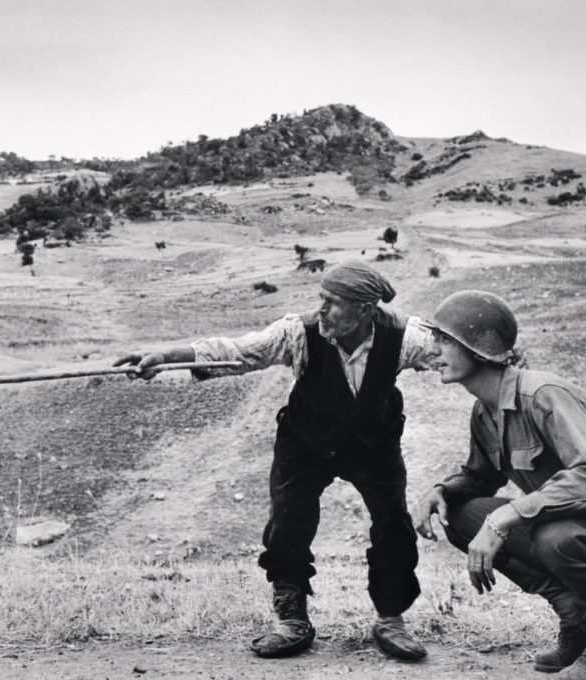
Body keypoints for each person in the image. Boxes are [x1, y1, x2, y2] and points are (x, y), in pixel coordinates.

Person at [114, 261, 438, 661]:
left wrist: (503, 359)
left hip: (372, 444)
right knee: (288, 523)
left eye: (332, 303)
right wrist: (164, 357)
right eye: (321, 299)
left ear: (366, 310)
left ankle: (391, 619)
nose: (321, 310)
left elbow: (454, 350)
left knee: (393, 523)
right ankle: (292, 620)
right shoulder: (297, 332)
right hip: (305, 442)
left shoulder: (404, 336)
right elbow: (239, 352)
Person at [412, 290, 586, 680]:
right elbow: (480, 478)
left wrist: (509, 515)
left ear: (478, 349)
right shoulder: (485, 411)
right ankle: (577, 616)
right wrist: (441, 491)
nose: (433, 349)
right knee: (463, 515)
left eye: (445, 340)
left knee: (553, 533)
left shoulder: (544, 395)